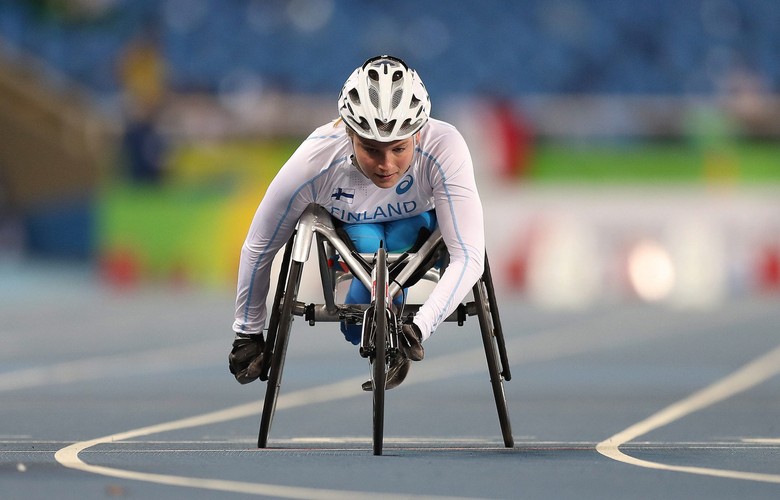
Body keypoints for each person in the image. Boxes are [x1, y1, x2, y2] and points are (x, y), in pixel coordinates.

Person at [229, 55, 485, 389]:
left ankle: (389, 327)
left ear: (419, 135)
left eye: (398, 149)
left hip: (416, 232)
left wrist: (419, 327)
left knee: (400, 238)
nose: (386, 165)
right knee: (361, 282)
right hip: (355, 236)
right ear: (349, 134)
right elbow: (260, 245)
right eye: (372, 150)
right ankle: (370, 320)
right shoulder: (314, 160)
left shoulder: (445, 146)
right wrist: (247, 332)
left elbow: (469, 255)